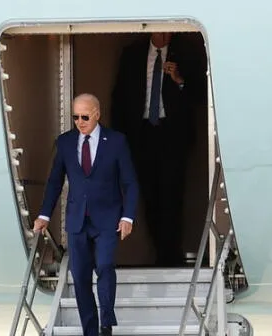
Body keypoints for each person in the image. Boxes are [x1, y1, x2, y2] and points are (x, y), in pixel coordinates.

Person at [34, 93, 139, 336]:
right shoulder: (65, 142)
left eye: (84, 117)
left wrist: (128, 217)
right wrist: (44, 215)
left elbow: (130, 183)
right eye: (75, 117)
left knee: (104, 266)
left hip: (107, 219)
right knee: (80, 278)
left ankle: (106, 322)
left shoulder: (116, 141)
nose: (80, 122)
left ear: (97, 115)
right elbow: (54, 182)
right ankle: (91, 330)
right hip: (77, 219)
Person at [110, 32, 205, 267]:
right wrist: (119, 141)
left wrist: (179, 79)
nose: (164, 35)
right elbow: (120, 98)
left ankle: (171, 255)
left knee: (172, 195)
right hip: (142, 134)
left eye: (167, 31)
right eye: (159, 30)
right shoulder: (132, 54)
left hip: (172, 135)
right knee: (149, 195)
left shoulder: (187, 53)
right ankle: (160, 252)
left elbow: (202, 94)